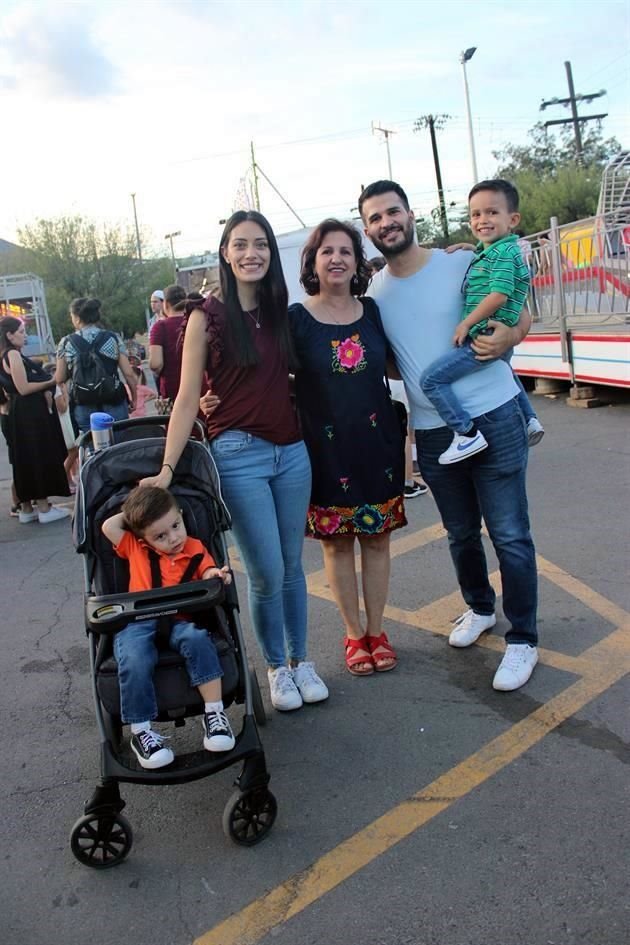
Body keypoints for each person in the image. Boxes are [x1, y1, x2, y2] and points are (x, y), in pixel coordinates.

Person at [140, 211, 328, 712]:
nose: (252, 253)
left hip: (292, 454)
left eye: (261, 244)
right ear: (225, 252)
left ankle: (301, 660)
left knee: (292, 567)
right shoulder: (206, 316)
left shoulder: (279, 310)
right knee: (265, 571)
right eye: (241, 244)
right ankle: (275, 669)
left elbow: (282, 379)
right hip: (238, 456)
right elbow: (184, 399)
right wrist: (165, 467)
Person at [360, 180, 539, 692]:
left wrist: (514, 335)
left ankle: (523, 638)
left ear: (410, 214)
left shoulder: (460, 262)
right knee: (460, 533)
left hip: (495, 413)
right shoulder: (375, 295)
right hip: (436, 433)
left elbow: (518, 312)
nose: (386, 223)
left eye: (393, 212)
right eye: (375, 218)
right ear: (368, 229)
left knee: (509, 533)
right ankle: (480, 607)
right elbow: (389, 360)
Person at [289, 219, 406, 676]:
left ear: (358, 262)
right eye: (326, 251)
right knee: (337, 545)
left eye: (345, 251)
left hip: (378, 443)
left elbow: (400, 365)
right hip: (324, 448)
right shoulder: (296, 320)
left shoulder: (373, 311)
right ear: (313, 262)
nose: (336, 258)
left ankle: (378, 631)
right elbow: (267, 376)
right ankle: (354, 635)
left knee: (377, 540)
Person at [102, 485, 235, 769]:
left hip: (180, 618)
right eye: (160, 536)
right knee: (135, 657)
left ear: (182, 516)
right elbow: (108, 525)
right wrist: (138, 515)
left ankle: (214, 713)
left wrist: (215, 575)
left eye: (176, 526)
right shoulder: (134, 546)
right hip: (138, 621)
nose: (173, 538)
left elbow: (207, 570)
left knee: (199, 640)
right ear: (143, 537)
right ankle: (141, 731)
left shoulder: (195, 548)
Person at [419, 179, 543, 464]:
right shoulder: (498, 250)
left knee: (432, 380)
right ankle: (529, 419)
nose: (482, 219)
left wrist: (466, 323)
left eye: (491, 212)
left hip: (486, 333)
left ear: (512, 219)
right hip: (495, 330)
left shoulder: (502, 253)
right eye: (475, 214)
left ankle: (466, 433)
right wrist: (475, 249)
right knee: (504, 367)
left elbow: (498, 295)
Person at [0, 316, 71, 523]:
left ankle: (27, 508)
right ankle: (43, 506)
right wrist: (51, 381)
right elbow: (23, 387)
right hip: (28, 413)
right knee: (37, 456)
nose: (25, 336)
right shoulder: (12, 354)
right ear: (9, 335)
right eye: (21, 332)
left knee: (23, 458)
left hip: (16, 412)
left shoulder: (4, 355)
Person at [55, 297, 137, 433]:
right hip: (113, 400)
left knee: (92, 448)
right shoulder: (113, 338)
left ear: (77, 318)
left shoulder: (66, 343)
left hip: (84, 403)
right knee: (119, 447)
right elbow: (128, 373)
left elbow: (59, 378)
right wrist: (134, 398)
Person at [149, 284, 186, 403]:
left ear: (166, 304)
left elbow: (155, 364)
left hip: (173, 388)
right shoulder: (195, 321)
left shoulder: (160, 327)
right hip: (200, 387)